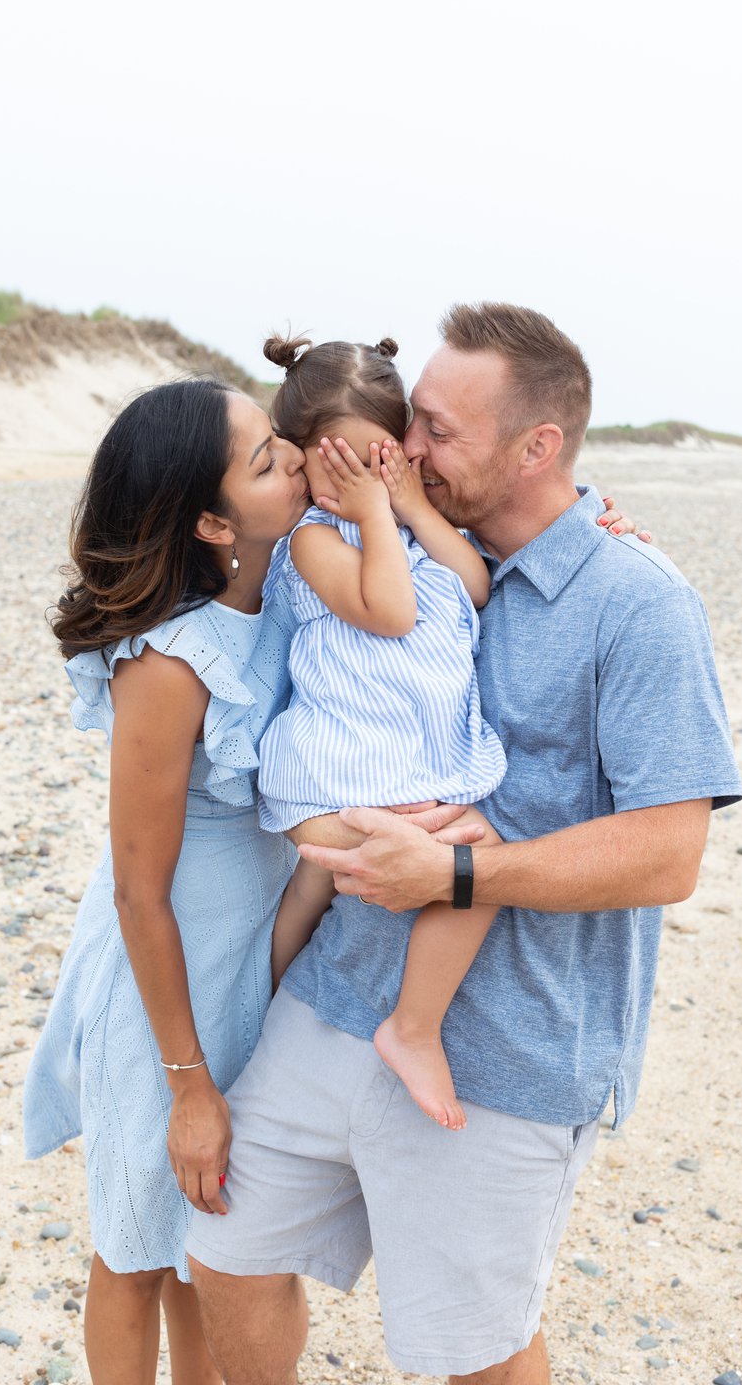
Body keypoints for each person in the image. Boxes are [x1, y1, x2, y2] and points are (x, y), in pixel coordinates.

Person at [185, 302, 742, 1385]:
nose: (408, 447)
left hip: (503, 1055)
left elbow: (669, 855)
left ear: (536, 448)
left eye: (437, 431)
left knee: (473, 1352)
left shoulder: (638, 604)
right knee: (228, 1255)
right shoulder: (415, 532)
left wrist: (453, 872)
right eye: (413, 419)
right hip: (335, 995)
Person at [22, 377, 310, 1385]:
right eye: (267, 459)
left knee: (210, 1243)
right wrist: (188, 1085)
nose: (295, 458)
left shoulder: (293, 586)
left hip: (250, 965)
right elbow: (137, 891)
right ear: (211, 522)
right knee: (136, 1248)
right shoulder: (169, 663)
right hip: (164, 988)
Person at [258, 332, 508, 1131]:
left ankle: (404, 1023)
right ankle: (265, 1015)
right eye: (341, 463)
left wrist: (409, 509)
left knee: (466, 866)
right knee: (440, 862)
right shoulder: (313, 539)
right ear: (301, 459)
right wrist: (371, 512)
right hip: (331, 772)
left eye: (378, 459)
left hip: (405, 768)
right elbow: (391, 611)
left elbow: (474, 586)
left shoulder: (411, 532)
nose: (363, 479)